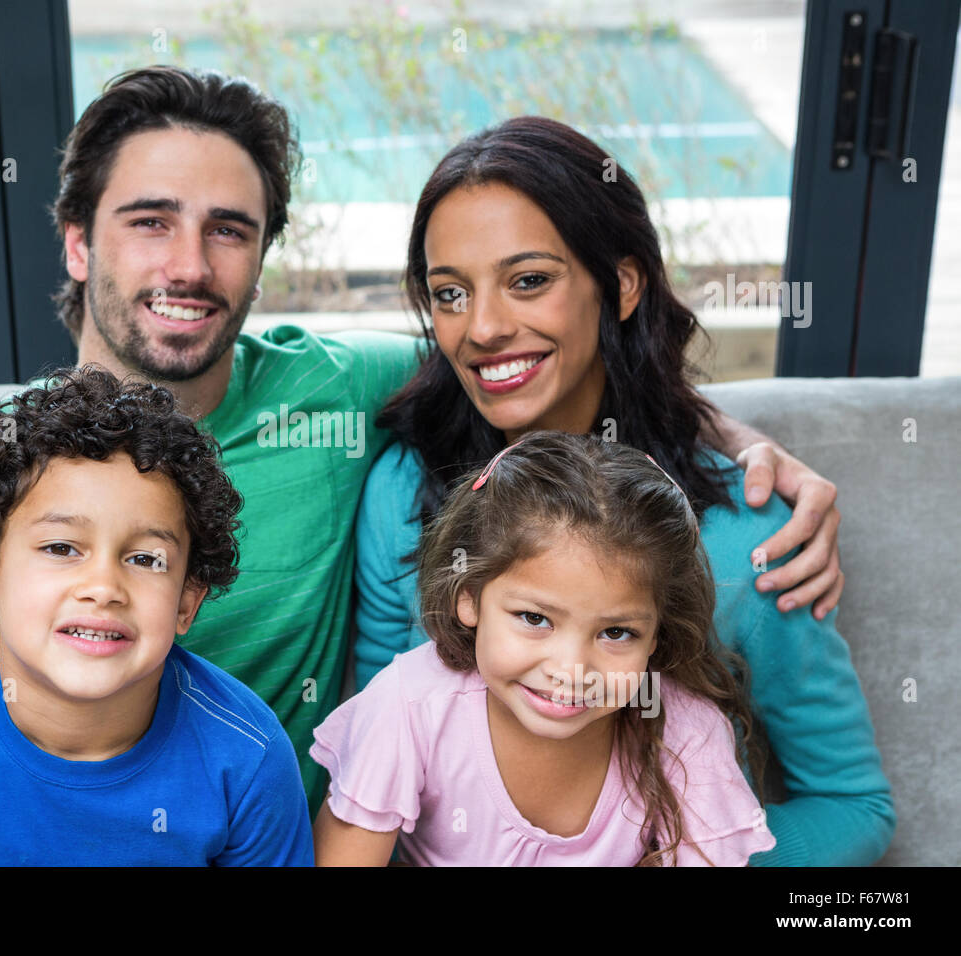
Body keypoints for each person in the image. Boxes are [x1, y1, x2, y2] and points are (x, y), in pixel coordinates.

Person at [0, 66, 846, 864]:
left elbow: (531, 363)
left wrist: (731, 446)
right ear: (76, 242)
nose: (186, 265)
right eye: (147, 221)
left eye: (229, 230)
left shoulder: (339, 394)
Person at [351, 116, 894, 865]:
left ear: (623, 283)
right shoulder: (406, 491)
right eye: (450, 293)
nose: (481, 328)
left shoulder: (751, 538)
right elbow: (364, 767)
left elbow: (854, 806)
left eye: (529, 281)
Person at [0, 366, 312, 865]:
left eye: (145, 559)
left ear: (188, 600)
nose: (103, 588)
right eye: (62, 547)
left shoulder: (249, 758)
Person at [313, 432, 776, 865]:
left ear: (657, 632)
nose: (572, 669)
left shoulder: (688, 734)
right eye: (535, 619)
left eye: (616, 632)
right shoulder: (408, 707)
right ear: (468, 597)